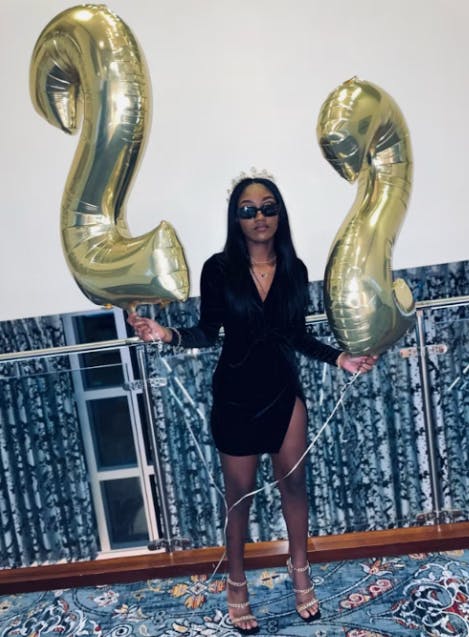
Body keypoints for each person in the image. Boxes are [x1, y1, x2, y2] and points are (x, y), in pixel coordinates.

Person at [128, 172, 377, 634]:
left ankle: (299, 569)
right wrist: (167, 334)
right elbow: (207, 332)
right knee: (239, 498)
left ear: (279, 214)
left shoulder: (294, 269)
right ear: (236, 218)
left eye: (268, 207)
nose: (259, 216)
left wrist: (340, 358)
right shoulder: (218, 269)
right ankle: (236, 581)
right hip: (236, 395)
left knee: (295, 485)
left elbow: (296, 335)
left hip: (284, 390)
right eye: (248, 210)